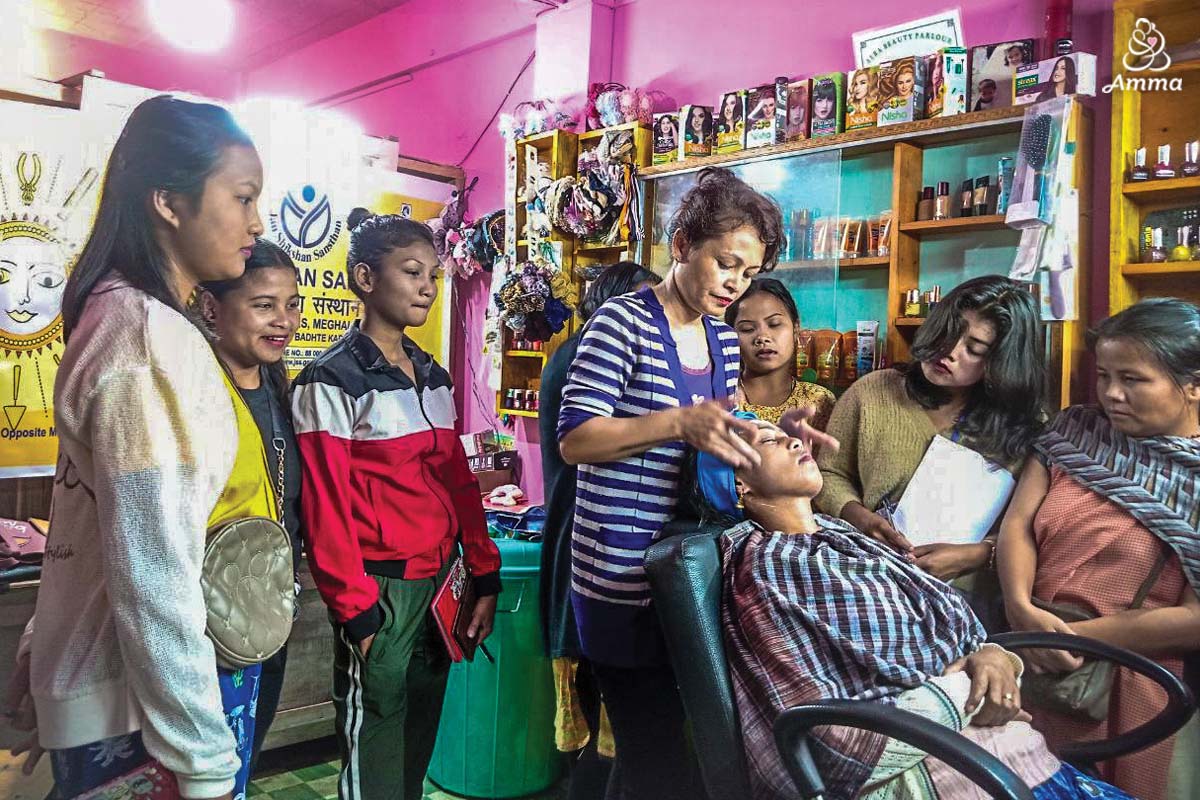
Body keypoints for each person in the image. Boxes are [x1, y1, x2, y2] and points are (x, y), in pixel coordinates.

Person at [5, 95, 269, 800]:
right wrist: (206, 764)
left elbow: (91, 524)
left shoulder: (118, 318)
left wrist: (42, 644)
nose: (257, 223)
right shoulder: (147, 341)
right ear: (168, 202)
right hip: (143, 713)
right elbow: (155, 575)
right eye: (242, 197)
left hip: (123, 696)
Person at [684, 416, 1132, 800]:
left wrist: (994, 656)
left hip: (1017, 759)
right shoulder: (771, 566)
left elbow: (961, 631)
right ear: (738, 482)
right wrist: (968, 693)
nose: (795, 440)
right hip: (957, 777)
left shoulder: (842, 538)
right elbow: (836, 742)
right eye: (769, 440)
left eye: (787, 434)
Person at [557, 166, 792, 800]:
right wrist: (675, 422)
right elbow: (576, 439)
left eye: (747, 272)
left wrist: (772, 431)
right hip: (619, 576)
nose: (735, 284)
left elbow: (715, 436)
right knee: (651, 747)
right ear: (682, 242)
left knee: (660, 754)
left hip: (688, 572)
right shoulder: (620, 324)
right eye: (725, 263)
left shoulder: (720, 336)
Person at [291, 213, 500, 800]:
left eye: (433, 274)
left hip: (441, 587)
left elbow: (460, 485)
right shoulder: (329, 380)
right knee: (374, 744)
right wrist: (357, 613)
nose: (428, 287)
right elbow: (325, 509)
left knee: (418, 734)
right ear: (364, 277)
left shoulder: (433, 376)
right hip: (380, 589)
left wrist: (483, 574)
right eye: (412, 272)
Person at [998, 298, 1200, 800]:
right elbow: (1018, 525)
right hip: (1026, 658)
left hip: (1133, 683)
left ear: (1194, 384)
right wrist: (1021, 610)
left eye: (1133, 379)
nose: (1111, 393)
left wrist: (1071, 638)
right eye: (1105, 374)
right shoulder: (1075, 433)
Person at [816, 276, 1045, 629]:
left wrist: (979, 555)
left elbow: (1035, 529)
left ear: (1001, 364)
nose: (949, 351)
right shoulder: (873, 392)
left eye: (975, 349)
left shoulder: (1024, 429)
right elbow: (829, 473)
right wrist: (858, 516)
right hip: (868, 582)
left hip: (966, 605)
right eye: (948, 331)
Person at [539, 261, 660, 800]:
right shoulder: (591, 352)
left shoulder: (574, 352)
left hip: (587, 532)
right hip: (588, 535)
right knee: (595, 688)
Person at [199, 238, 304, 770]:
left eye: (291, 304)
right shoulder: (196, 393)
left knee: (243, 761)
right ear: (211, 308)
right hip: (203, 621)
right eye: (264, 304)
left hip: (266, 612)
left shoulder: (285, 394)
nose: (282, 320)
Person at [724, 278, 834, 429]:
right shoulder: (724, 397)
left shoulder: (819, 401)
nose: (762, 337)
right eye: (748, 329)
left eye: (774, 324)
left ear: (796, 329)